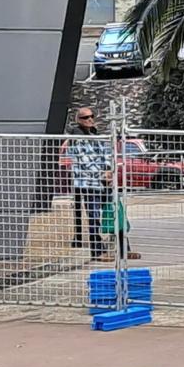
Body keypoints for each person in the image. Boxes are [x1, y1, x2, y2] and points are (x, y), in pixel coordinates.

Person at [63, 107, 113, 261]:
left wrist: (109, 170)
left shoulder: (94, 135)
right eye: (85, 117)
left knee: (112, 212)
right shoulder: (77, 138)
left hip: (101, 182)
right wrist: (102, 174)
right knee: (93, 215)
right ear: (78, 120)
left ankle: (121, 246)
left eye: (92, 116)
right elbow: (85, 162)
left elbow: (106, 154)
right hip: (88, 183)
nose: (90, 119)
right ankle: (97, 251)